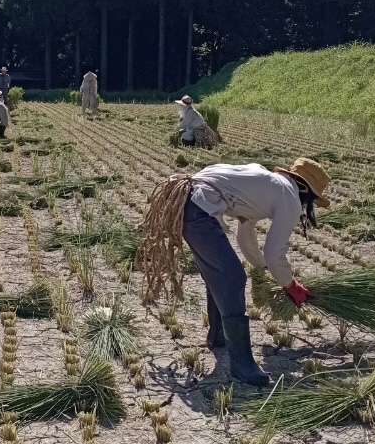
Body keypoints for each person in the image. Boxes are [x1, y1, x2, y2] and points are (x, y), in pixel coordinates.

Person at [136, 157, 331, 386]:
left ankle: (218, 337)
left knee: (222, 273)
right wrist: (290, 284)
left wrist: (263, 269)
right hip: (198, 208)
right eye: (312, 200)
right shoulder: (288, 196)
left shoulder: (264, 183)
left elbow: (245, 237)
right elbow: (274, 251)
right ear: (305, 189)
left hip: (191, 200)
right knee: (233, 277)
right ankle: (241, 364)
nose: (309, 206)